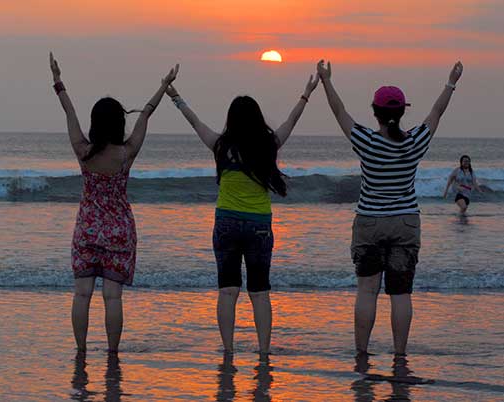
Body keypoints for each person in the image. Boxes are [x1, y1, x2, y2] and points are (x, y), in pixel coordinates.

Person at [165, 73, 319, 361]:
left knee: (227, 291)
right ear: (258, 118)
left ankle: (228, 352)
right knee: (260, 292)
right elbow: (291, 121)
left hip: (226, 223)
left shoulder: (221, 146)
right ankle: (264, 352)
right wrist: (306, 93)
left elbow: (195, 122)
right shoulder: (268, 145)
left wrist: (174, 96)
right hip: (259, 225)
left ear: (231, 119)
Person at [316, 59, 463, 359]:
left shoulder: (366, 141)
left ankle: (361, 353)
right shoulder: (414, 142)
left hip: (370, 221)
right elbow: (436, 113)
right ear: (402, 112)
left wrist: (326, 81)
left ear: (375, 112)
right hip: (405, 222)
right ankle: (399, 355)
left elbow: (339, 112)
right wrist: (451, 82)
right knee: (401, 293)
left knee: (367, 291)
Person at [49, 52, 179, 354]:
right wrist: (164, 86)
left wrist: (58, 82)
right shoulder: (126, 153)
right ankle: (111, 354)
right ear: (120, 122)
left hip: (87, 230)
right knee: (112, 297)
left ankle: (81, 352)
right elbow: (146, 115)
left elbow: (69, 112)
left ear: (95, 123)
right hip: (119, 230)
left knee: (82, 294)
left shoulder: (84, 151)